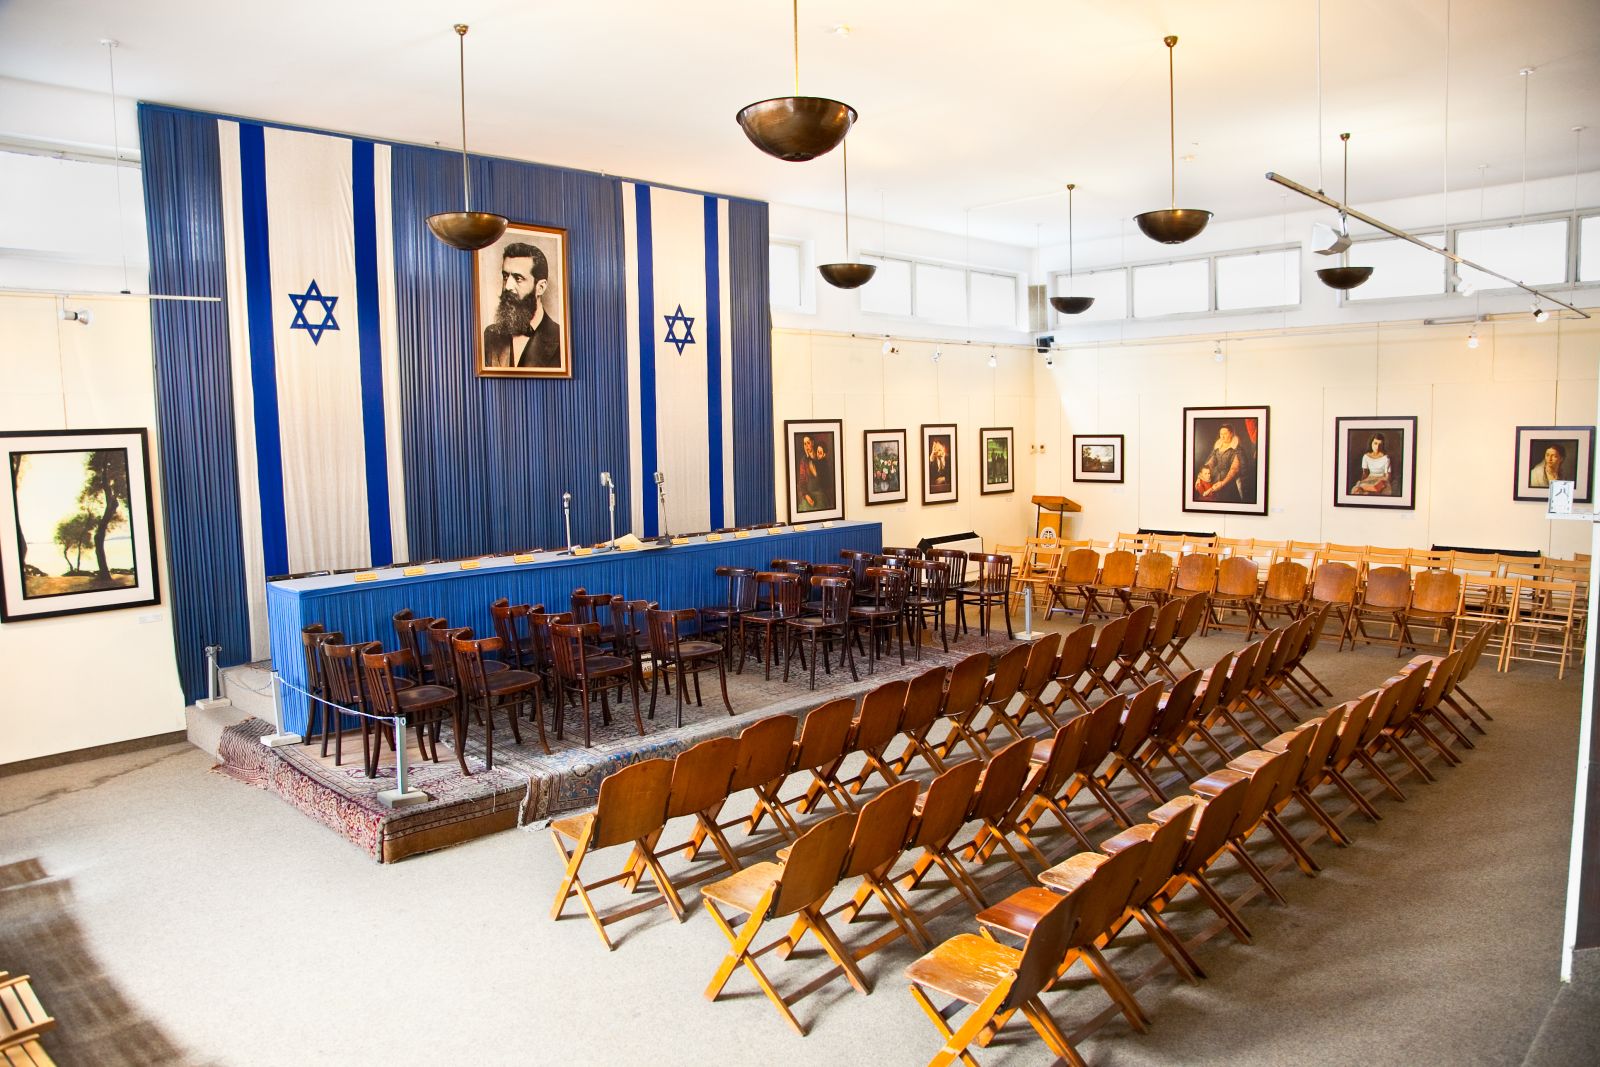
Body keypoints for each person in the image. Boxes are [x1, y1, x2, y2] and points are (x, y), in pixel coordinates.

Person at [483, 242, 563, 369]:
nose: (507, 286)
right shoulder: (490, 335)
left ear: (540, 287)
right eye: (505, 276)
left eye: (518, 278)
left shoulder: (561, 338)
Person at [1194, 423, 1245, 503]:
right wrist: (1200, 477)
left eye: (1225, 434)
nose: (1222, 436)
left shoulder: (1237, 449)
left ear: (1231, 433)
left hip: (1228, 481)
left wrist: (1222, 483)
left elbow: (1234, 469)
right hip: (1214, 478)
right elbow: (1211, 462)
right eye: (1221, 434)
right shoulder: (1218, 447)